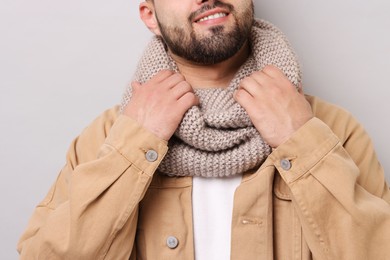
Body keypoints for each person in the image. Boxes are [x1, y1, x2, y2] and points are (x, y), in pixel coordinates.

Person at [17, 0, 390, 259]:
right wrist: (136, 146)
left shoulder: (329, 129)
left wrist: (300, 140)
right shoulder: (109, 137)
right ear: (150, 15)